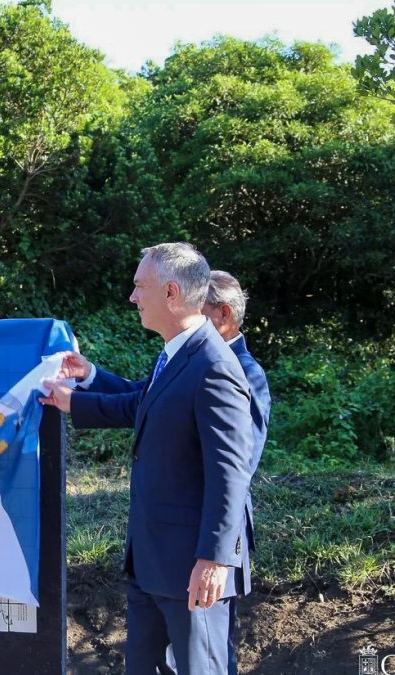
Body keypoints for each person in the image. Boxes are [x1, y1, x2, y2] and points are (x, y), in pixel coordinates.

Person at [40, 243, 253, 675]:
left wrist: (214, 560)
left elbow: (230, 475)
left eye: (140, 287)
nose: (133, 297)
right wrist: (80, 392)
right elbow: (142, 401)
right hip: (152, 562)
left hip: (192, 568)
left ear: (171, 293)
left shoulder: (215, 367)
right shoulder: (177, 354)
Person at [201, 270, 271, 675]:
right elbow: (139, 396)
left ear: (223, 314)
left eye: (199, 308)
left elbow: (238, 467)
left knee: (211, 654)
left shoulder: (246, 372)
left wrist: (217, 552)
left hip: (217, 537)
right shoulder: (189, 360)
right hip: (184, 536)